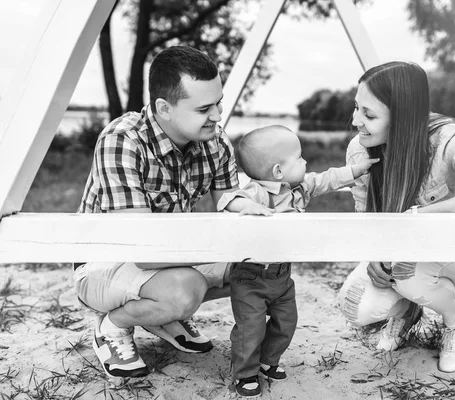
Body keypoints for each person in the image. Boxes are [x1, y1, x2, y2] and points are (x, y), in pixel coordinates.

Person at [73, 45, 249, 379]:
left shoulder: (216, 143)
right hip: (103, 264)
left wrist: (254, 210)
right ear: (164, 108)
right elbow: (143, 249)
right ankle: (113, 326)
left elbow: (230, 205)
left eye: (218, 102)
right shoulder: (122, 140)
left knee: (255, 265)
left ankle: (165, 316)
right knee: (185, 288)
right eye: (204, 108)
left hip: (169, 255)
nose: (217, 115)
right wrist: (218, 242)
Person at [337, 61, 455, 373]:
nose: (356, 121)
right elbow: (366, 219)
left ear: (402, 116)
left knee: (408, 274)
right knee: (355, 305)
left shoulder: (449, 139)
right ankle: (407, 311)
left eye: (369, 114)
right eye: (357, 108)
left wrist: (423, 215)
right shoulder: (359, 150)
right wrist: (374, 254)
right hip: (398, 254)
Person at [216, 125, 378, 397]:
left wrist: (356, 170)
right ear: (278, 171)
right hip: (250, 276)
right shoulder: (257, 192)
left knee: (286, 321)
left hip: (281, 276)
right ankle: (245, 373)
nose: (305, 162)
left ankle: (268, 361)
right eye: (300, 158)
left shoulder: (299, 187)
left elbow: (328, 179)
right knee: (250, 328)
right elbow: (227, 200)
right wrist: (247, 207)